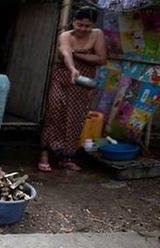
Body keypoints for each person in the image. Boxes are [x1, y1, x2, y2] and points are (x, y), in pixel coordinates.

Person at [38, 7, 107, 172]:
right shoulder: (65, 35)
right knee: (54, 114)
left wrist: (77, 54)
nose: (83, 29)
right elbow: (65, 52)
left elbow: (101, 58)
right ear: (73, 21)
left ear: (93, 25)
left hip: (83, 84)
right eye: (79, 24)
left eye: (87, 26)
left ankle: (66, 157)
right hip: (62, 79)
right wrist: (72, 68)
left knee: (75, 119)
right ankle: (45, 154)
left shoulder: (97, 34)